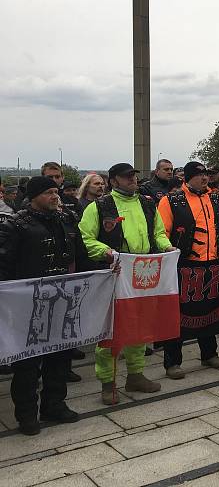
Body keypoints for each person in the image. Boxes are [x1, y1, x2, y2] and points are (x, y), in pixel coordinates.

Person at [0, 177, 91, 434]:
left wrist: (104, 271)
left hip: (62, 301)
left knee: (60, 356)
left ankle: (54, 404)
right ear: (34, 196)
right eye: (50, 192)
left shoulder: (67, 220)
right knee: (28, 363)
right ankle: (27, 414)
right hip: (27, 306)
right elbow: (4, 266)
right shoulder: (15, 225)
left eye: (57, 191)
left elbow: (80, 257)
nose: (56, 196)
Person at [79, 163, 171, 404]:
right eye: (126, 177)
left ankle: (135, 375)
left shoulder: (148, 203)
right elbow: (85, 238)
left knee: (140, 325)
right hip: (113, 273)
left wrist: (166, 247)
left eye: (134, 176)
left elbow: (158, 233)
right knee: (111, 330)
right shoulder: (99, 206)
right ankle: (108, 383)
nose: (132, 180)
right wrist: (106, 251)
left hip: (143, 273)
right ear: (114, 181)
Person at [158, 162, 219, 378]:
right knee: (177, 315)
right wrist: (167, 247)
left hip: (212, 264)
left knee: (210, 311)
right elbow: (161, 231)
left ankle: (209, 353)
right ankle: (173, 362)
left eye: (206, 174)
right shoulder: (170, 200)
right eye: (199, 175)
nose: (204, 178)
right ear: (187, 178)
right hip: (183, 265)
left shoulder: (216, 198)